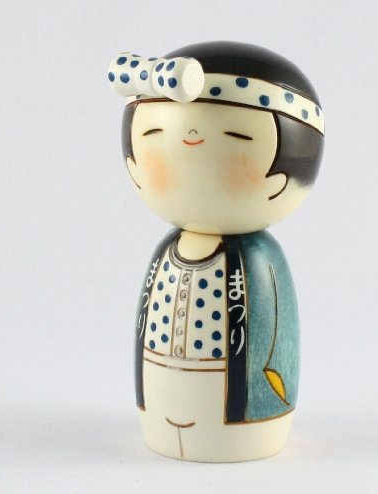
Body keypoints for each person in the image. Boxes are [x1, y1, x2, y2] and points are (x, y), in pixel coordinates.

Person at [108, 41, 324, 461]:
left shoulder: (260, 260)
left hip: (232, 393)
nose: (187, 146)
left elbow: (272, 347)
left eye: (236, 138)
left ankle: (249, 433)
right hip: (161, 379)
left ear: (282, 178)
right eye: (154, 136)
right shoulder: (167, 251)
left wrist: (265, 396)